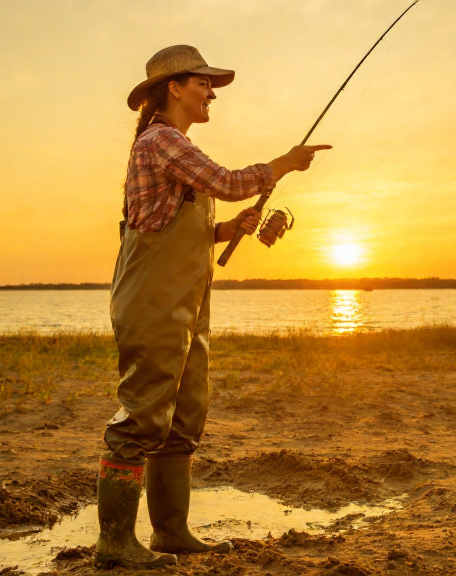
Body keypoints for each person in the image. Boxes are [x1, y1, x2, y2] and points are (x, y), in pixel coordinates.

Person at [95, 45, 331, 570]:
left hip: (187, 305)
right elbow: (227, 183)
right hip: (152, 303)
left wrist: (226, 230)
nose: (212, 92)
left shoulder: (172, 147)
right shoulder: (162, 140)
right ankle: (113, 543)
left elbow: (181, 224)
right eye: (203, 83)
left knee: (183, 418)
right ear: (174, 88)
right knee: (140, 419)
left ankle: (170, 533)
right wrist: (285, 163)